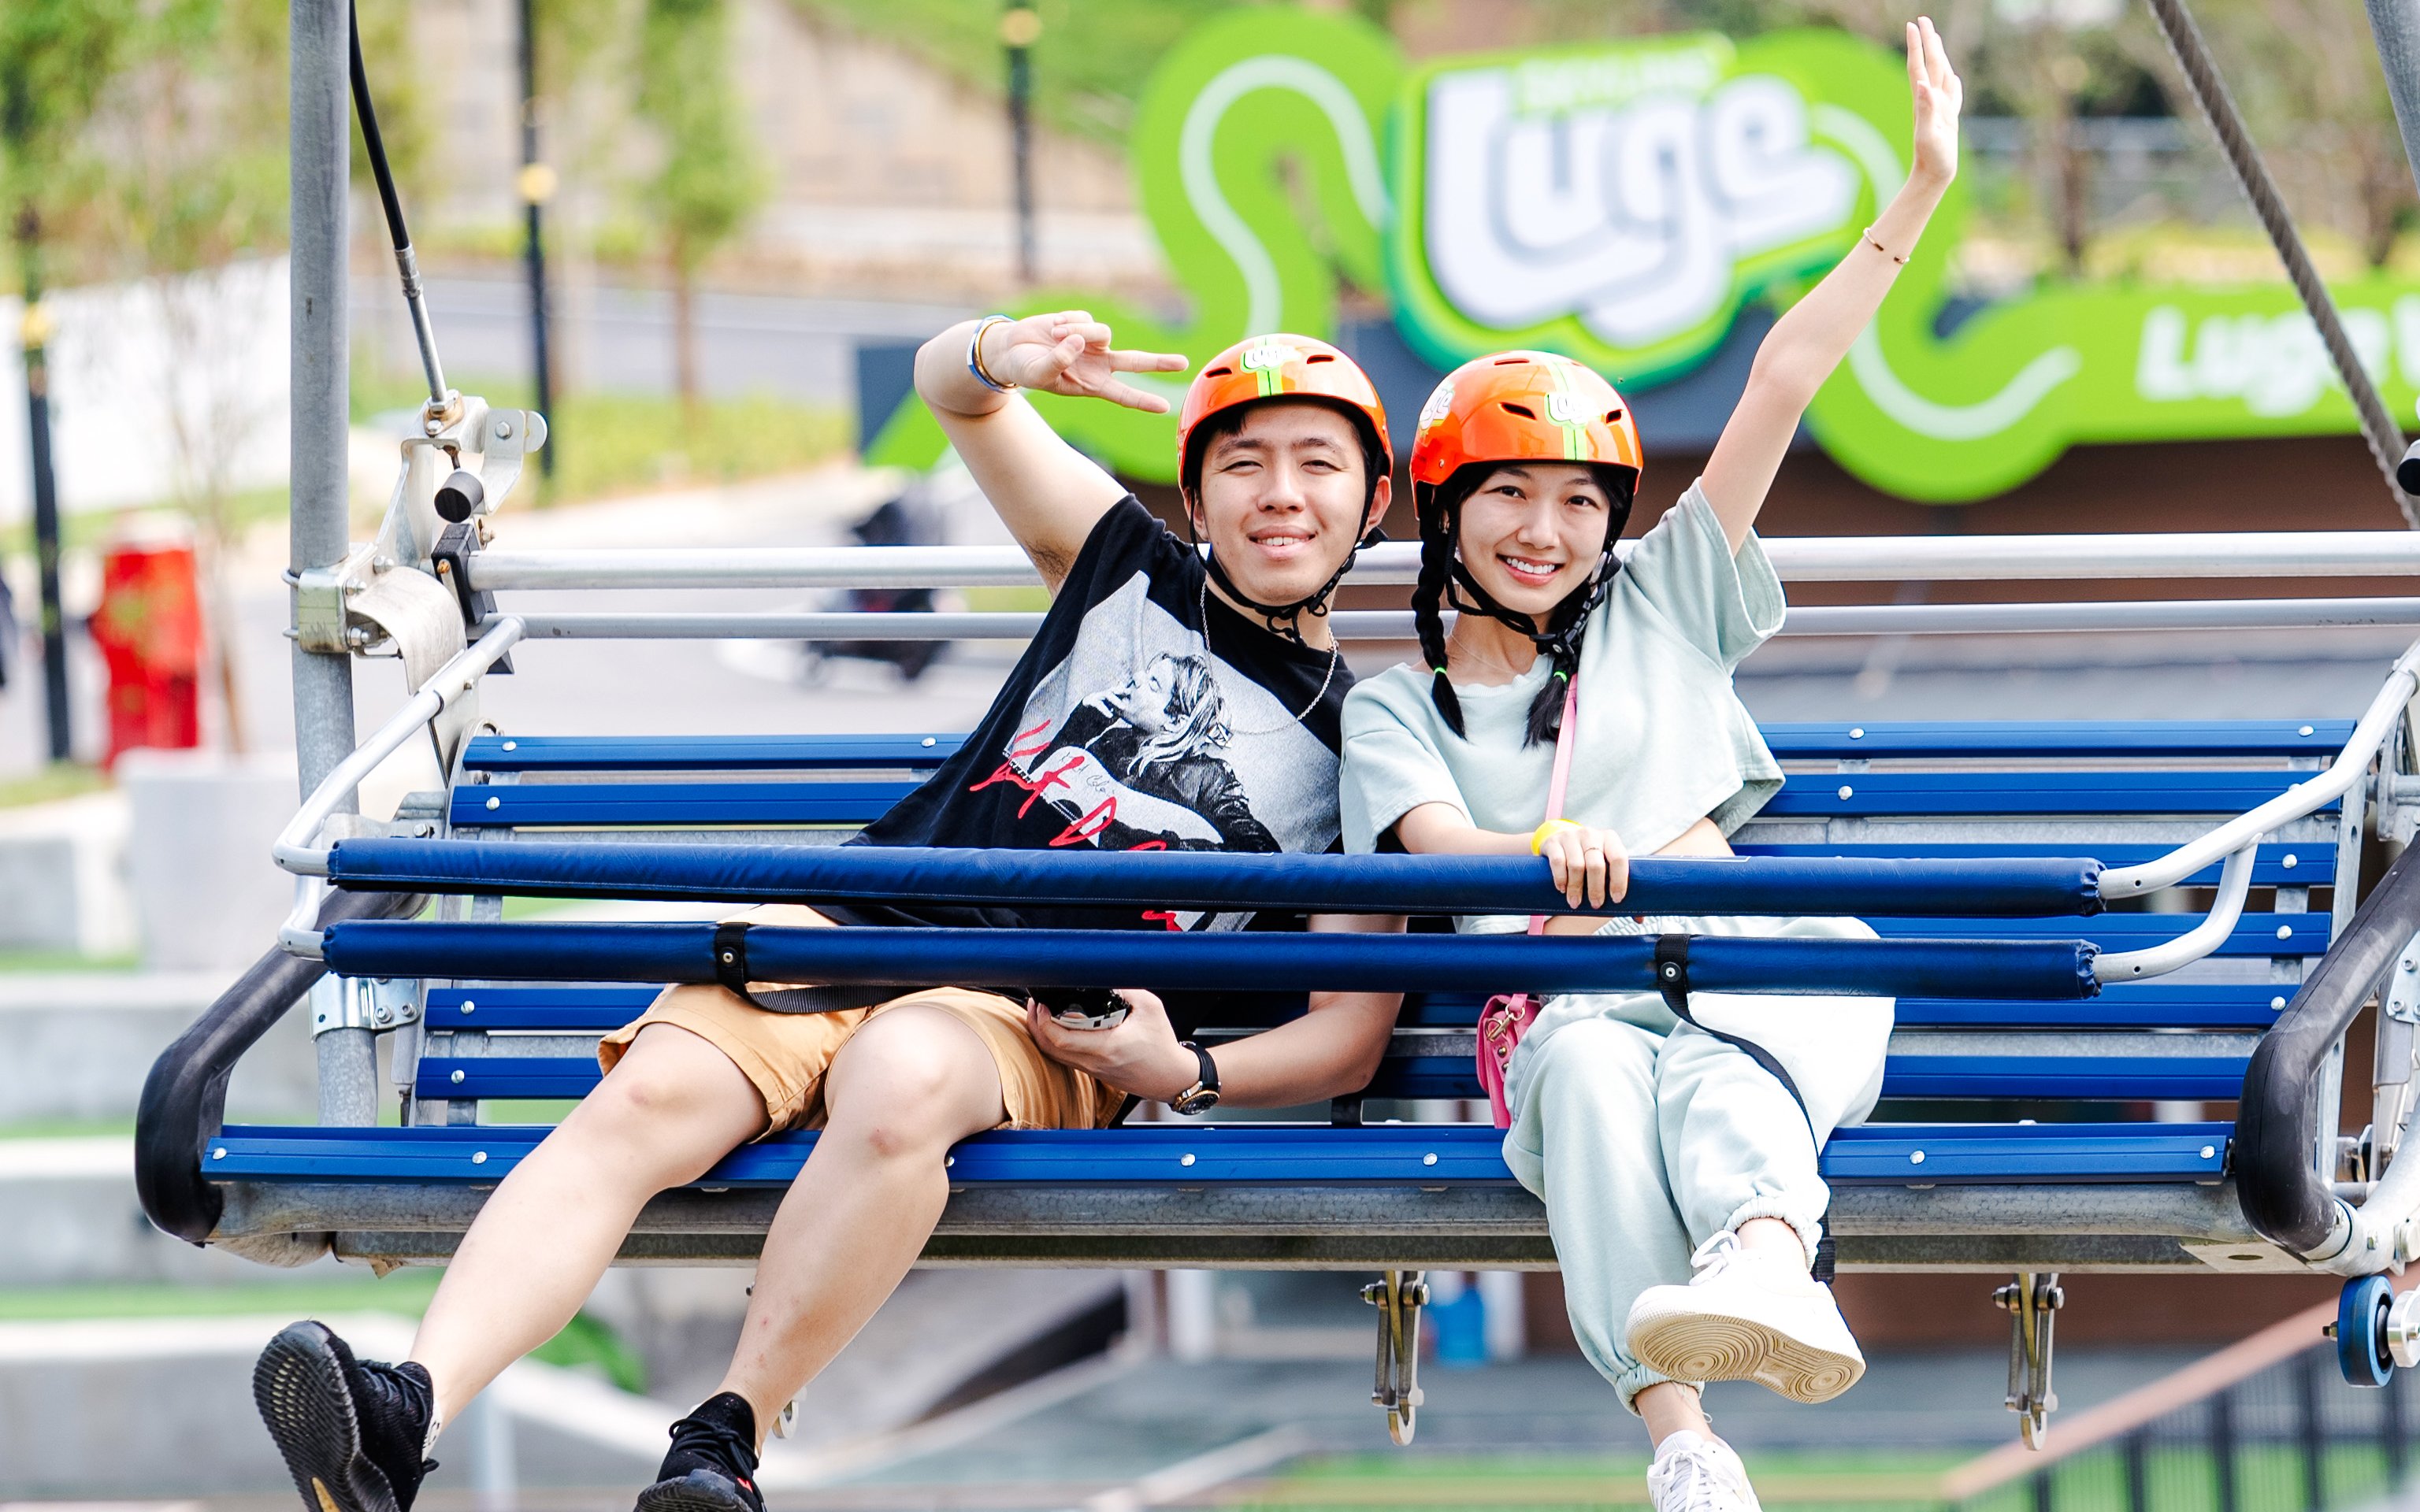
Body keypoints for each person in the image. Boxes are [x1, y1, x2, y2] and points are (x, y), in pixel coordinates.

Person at [252, 317, 1406, 1512]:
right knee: (651, 1093)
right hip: (861, 920)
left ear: (1372, 503)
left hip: (1036, 1019)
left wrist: (1186, 1071)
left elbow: (1349, 1034)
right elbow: (950, 393)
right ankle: (407, 1411)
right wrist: (1001, 353)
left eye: (1318, 464)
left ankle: (724, 1440)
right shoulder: (1122, 567)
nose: (1281, 495)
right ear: (1198, 492)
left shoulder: (1365, 750)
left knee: (907, 1074)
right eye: (1244, 463)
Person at [1335, 22, 1962, 1512]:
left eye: (1573, 502)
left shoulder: (1665, 600)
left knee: (1748, 993)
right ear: (1445, 514)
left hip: (1717, 951)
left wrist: (1917, 195)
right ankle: (1685, 1439)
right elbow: (1426, 843)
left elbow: (1781, 383)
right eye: (1506, 497)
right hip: (1558, 992)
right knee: (1598, 1079)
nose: (1543, 532)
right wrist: (1548, 867)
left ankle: (1762, 1250)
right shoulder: (1393, 705)